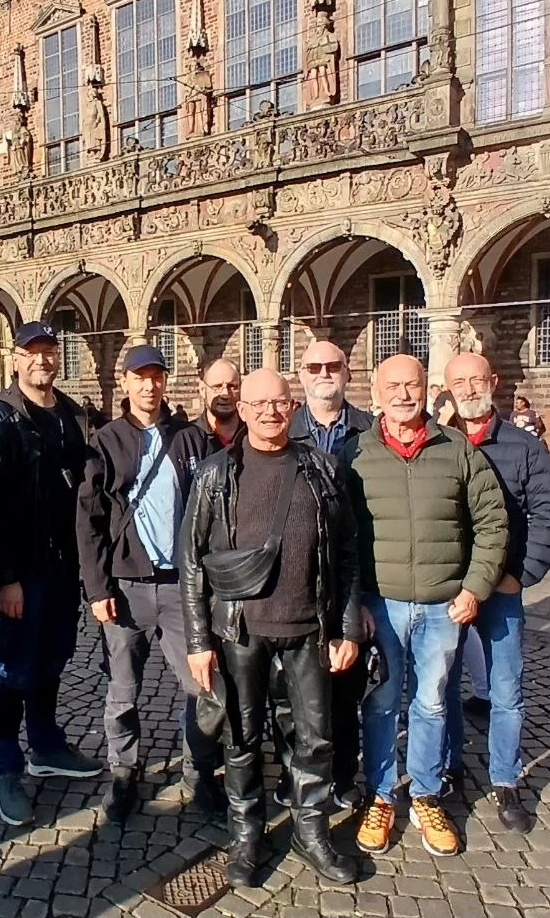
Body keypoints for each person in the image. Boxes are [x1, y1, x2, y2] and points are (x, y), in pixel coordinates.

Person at [180, 367, 362, 888]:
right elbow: (191, 559)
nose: (269, 411)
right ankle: (246, 836)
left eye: (279, 402)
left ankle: (311, 832)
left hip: (308, 626)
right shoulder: (217, 472)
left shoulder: (323, 468)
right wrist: (198, 641)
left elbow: (347, 552)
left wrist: (346, 626)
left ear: (293, 405)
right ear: (241, 407)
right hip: (239, 630)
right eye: (258, 403)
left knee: (316, 738)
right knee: (241, 738)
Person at [343, 354, 507, 858]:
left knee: (433, 701)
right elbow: (342, 537)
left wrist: (474, 588)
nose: (403, 395)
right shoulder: (356, 454)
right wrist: (356, 605)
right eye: (392, 386)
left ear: (425, 389)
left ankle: (427, 794)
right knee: (382, 703)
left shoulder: (455, 448)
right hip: (382, 606)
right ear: (375, 393)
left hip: (442, 604)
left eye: (411, 385)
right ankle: (380, 793)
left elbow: (493, 521)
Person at [77, 344, 222, 822]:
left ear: (166, 381)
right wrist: (97, 590)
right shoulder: (107, 441)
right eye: (139, 377)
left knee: (202, 687)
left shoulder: (190, 438)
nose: (149, 385)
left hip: (182, 586)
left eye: (156, 376)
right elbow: (89, 520)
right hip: (126, 586)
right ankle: (124, 772)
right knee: (123, 689)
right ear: (125, 383)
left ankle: (199, 774)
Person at [0, 321, 102, 828]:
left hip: (63, 566)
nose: (42, 361)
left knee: (53, 658)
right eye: (33, 353)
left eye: (50, 352)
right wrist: (3, 577)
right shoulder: (1, 420)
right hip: (22, 571)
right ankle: (5, 766)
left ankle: (45, 745)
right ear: (15, 358)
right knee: (13, 667)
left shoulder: (72, 416)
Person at [443, 353, 550, 831]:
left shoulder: (524, 447)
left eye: (478, 379)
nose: (471, 388)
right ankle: (450, 767)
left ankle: (506, 779)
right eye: (460, 381)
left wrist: (524, 572)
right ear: (449, 388)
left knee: (507, 689)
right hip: (448, 589)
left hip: (501, 587)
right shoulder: (440, 441)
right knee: (443, 685)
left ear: (493, 383)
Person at [284, 339, 373, 811]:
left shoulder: (370, 431)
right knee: (294, 692)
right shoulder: (283, 428)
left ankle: (341, 775)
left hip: (347, 581)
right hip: (296, 586)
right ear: (301, 374)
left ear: (347, 373)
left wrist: (365, 602)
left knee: (345, 690)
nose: (324, 373)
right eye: (314, 366)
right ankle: (295, 776)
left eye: (332, 365)